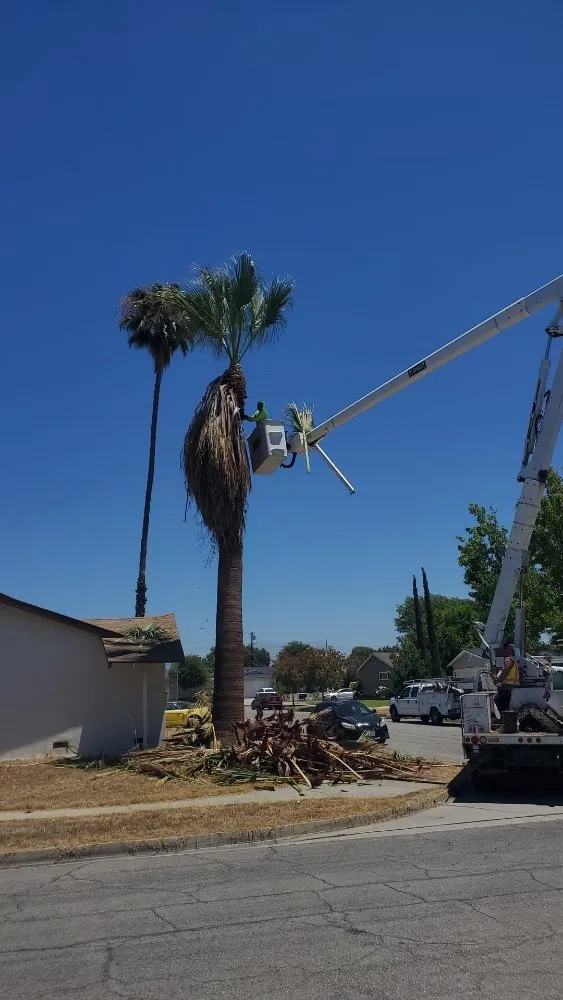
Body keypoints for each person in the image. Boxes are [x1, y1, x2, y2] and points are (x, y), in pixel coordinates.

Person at [494, 641, 520, 715]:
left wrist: (498, 681)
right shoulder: (513, 660)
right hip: (509, 688)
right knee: (504, 706)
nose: (501, 652)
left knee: (497, 700)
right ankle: (506, 721)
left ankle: (505, 722)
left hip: (506, 688)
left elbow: (505, 671)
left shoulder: (509, 659)